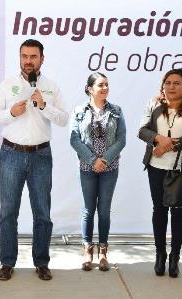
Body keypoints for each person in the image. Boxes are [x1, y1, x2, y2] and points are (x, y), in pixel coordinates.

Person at [0, 39, 69, 281]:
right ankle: (7, 262)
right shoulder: (7, 85)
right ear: (20, 58)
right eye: (24, 56)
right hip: (11, 153)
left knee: (42, 213)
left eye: (33, 56)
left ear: (42, 59)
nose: (28, 61)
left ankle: (42, 262)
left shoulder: (51, 86)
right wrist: (10, 113)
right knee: (8, 212)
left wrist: (43, 106)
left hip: (41, 155)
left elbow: (64, 119)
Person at [138, 69, 182, 278]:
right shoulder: (153, 103)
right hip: (157, 166)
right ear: (163, 85)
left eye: (177, 83)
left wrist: (169, 146)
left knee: (177, 212)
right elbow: (142, 130)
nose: (172, 86)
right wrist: (158, 138)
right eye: (168, 82)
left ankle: (175, 256)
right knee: (159, 210)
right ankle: (160, 255)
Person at [70, 72, 126, 272]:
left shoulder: (116, 111)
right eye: (100, 85)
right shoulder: (78, 110)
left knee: (104, 210)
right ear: (90, 89)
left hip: (110, 168)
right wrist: (93, 160)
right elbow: (74, 139)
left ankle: (103, 252)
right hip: (87, 167)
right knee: (88, 210)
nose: (105, 88)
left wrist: (105, 159)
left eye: (107, 85)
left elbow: (122, 139)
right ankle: (87, 251)